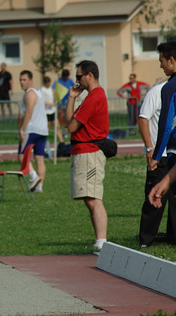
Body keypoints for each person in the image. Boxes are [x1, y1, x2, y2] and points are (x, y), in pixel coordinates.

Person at [147, 41, 176, 248]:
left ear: (172, 60)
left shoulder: (170, 87)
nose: (161, 66)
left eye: (161, 61)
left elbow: (165, 125)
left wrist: (157, 154)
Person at [65, 60, 109, 252]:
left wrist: (75, 103)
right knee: (89, 198)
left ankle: (101, 241)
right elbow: (69, 123)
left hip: (89, 153)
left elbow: (72, 126)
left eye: (79, 77)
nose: (77, 81)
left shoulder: (94, 97)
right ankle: (99, 240)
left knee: (93, 198)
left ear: (89, 75)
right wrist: (71, 98)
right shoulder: (90, 97)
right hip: (83, 152)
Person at [138, 80, 176, 247]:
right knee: (154, 197)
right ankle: (146, 240)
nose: (161, 65)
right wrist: (150, 147)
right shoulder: (157, 91)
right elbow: (143, 118)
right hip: (159, 155)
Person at [18, 70, 47, 192]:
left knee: (21, 156)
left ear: (30, 80)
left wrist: (21, 128)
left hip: (32, 129)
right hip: (43, 130)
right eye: (20, 80)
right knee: (39, 158)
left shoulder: (29, 94)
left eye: (24, 80)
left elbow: (29, 112)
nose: (22, 82)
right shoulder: (38, 92)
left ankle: (34, 176)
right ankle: (39, 187)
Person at [53, 69, 75, 138]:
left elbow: (74, 86)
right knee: (60, 115)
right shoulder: (58, 80)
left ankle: (66, 130)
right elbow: (53, 88)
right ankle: (62, 129)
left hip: (67, 101)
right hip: (60, 101)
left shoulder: (69, 80)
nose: (65, 78)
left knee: (67, 116)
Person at [41, 76, 61, 143]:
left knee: (57, 127)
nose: (48, 84)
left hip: (52, 111)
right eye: (47, 83)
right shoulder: (42, 90)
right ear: (44, 83)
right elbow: (42, 102)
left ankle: (62, 142)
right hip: (46, 112)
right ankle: (43, 142)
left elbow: (53, 96)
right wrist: (49, 104)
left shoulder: (51, 89)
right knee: (47, 129)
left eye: (49, 82)